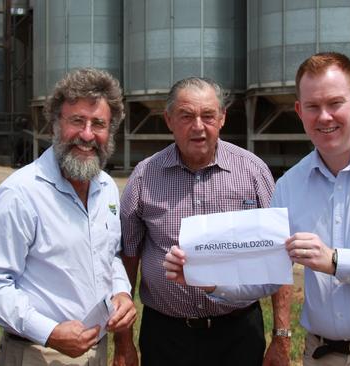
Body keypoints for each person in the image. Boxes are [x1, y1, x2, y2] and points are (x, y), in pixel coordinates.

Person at [166, 52, 350, 365]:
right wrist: (208, 278)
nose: (324, 117)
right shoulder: (291, 185)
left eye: (335, 103)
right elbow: (268, 275)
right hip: (322, 355)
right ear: (300, 111)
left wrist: (336, 261)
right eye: (313, 107)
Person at [116, 76, 292, 366]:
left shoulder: (253, 172)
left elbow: (278, 257)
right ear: (169, 120)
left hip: (238, 334)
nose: (198, 126)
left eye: (208, 115)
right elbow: (128, 259)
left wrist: (282, 337)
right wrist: (124, 344)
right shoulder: (144, 177)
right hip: (166, 336)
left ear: (222, 118)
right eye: (186, 116)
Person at [0, 68, 136, 366]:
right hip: (38, 353)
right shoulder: (21, 193)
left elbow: (109, 255)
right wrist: (49, 332)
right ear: (55, 124)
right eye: (77, 121)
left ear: (110, 131)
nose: (87, 135)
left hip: (96, 353)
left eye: (98, 124)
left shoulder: (107, 189)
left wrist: (122, 293)